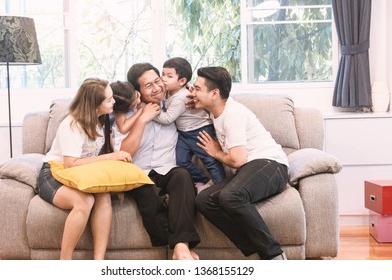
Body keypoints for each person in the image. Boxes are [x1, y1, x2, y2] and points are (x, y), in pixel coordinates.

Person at [187, 66, 289, 260]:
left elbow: (238, 160)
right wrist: (195, 100)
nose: (193, 92)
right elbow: (191, 101)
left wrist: (217, 153)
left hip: (271, 165)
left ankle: (275, 255)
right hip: (251, 169)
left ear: (215, 93)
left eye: (198, 88)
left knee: (230, 196)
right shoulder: (216, 109)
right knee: (204, 200)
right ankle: (255, 249)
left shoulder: (232, 114)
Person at [37, 78, 132, 260]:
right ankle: (65, 262)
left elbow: (107, 151)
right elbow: (70, 164)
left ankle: (99, 262)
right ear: (95, 104)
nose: (113, 102)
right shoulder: (72, 125)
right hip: (54, 174)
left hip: (82, 174)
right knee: (85, 202)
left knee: (104, 196)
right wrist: (110, 157)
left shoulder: (103, 120)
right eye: (109, 99)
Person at [115, 62, 201, 260]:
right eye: (148, 86)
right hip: (139, 172)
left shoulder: (175, 105)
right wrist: (142, 119)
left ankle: (181, 246)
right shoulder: (127, 115)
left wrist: (190, 89)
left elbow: (193, 84)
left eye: (158, 81)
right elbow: (124, 154)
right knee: (149, 197)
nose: (156, 88)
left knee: (183, 176)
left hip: (168, 169)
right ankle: (179, 246)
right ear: (137, 92)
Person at [154, 57, 226, 191]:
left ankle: (220, 187)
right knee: (179, 160)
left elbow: (167, 118)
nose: (163, 79)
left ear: (182, 81)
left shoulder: (182, 97)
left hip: (200, 130)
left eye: (169, 76)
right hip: (183, 133)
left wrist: (152, 113)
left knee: (210, 161)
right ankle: (202, 179)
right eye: (162, 74)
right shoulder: (168, 92)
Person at [109, 80, 144, 150]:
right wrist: (141, 111)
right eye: (133, 104)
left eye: (136, 95)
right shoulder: (119, 112)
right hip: (119, 145)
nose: (138, 101)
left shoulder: (133, 93)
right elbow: (123, 128)